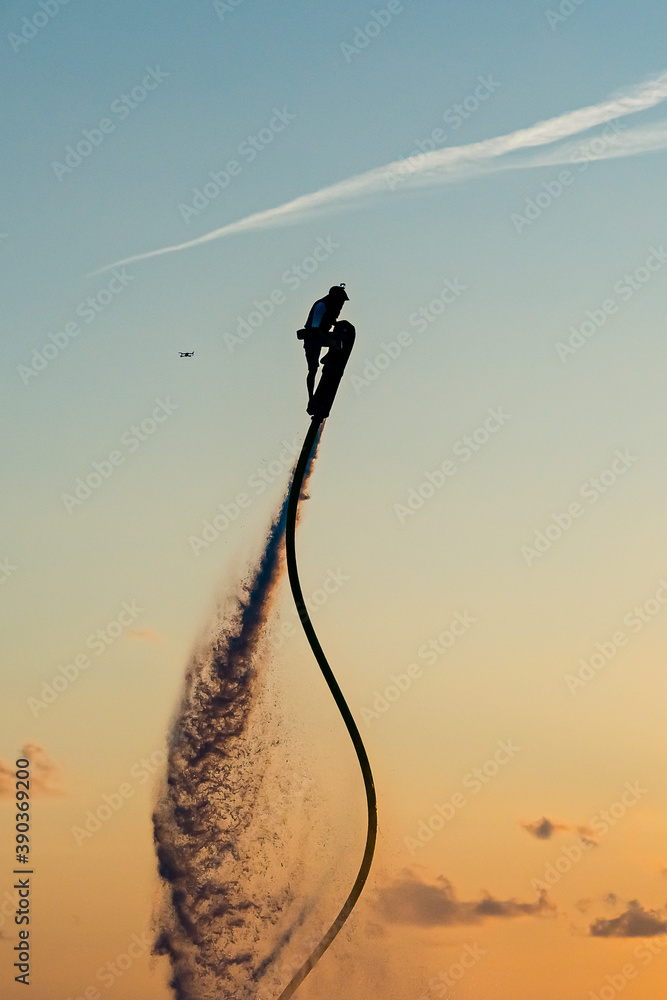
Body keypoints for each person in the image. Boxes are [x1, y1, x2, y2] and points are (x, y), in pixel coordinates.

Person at [297, 284, 349, 407]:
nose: (342, 304)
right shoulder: (322, 306)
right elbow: (315, 329)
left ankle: (329, 356)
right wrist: (330, 341)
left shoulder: (333, 308)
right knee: (313, 369)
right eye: (341, 301)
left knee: (340, 339)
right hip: (312, 338)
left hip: (322, 336)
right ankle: (311, 398)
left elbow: (332, 322)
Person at [308, 320, 356, 421]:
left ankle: (320, 410)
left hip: (333, 370)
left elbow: (335, 342)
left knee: (326, 390)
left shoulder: (345, 333)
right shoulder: (344, 333)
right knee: (324, 390)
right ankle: (318, 409)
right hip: (331, 369)